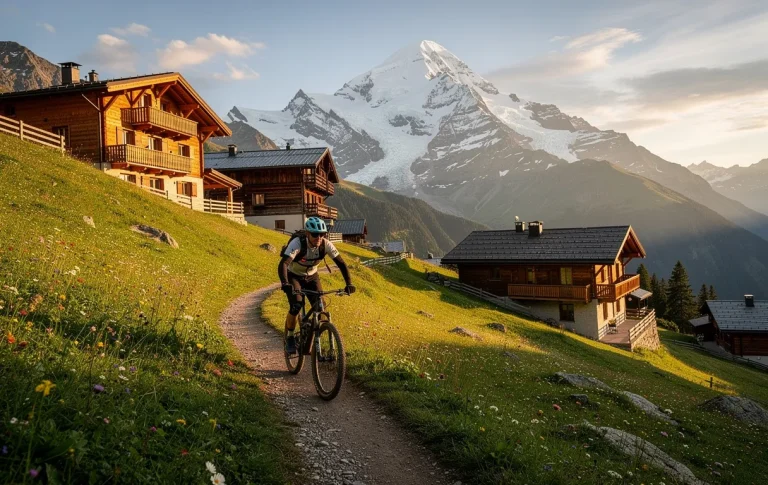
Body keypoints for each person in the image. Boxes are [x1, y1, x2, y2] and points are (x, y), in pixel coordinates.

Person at [278, 217, 355, 355]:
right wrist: (285, 283)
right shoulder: (297, 243)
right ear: (307, 233)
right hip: (294, 275)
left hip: (312, 276)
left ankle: (313, 338)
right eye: (315, 234)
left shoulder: (326, 245)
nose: (319, 237)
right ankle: (289, 337)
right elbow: (283, 264)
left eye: (322, 234)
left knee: (321, 308)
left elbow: (341, 264)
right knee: (296, 304)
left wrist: (349, 284)